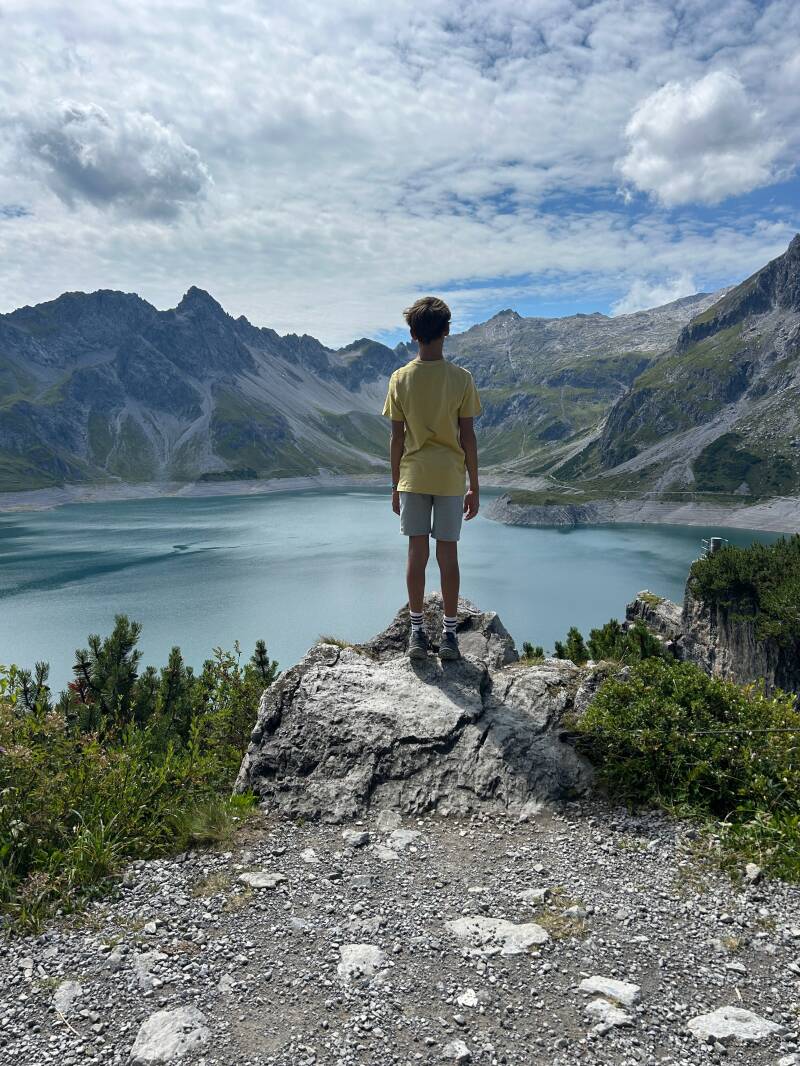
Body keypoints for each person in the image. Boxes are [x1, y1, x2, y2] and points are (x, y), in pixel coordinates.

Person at [382, 296, 482, 661]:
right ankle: (451, 636)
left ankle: (417, 633)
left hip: (413, 476)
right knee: (448, 554)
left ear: (412, 334)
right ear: (446, 331)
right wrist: (474, 485)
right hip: (451, 478)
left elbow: (396, 438)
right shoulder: (461, 379)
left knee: (416, 552)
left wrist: (395, 485)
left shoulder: (399, 379)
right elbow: (467, 436)